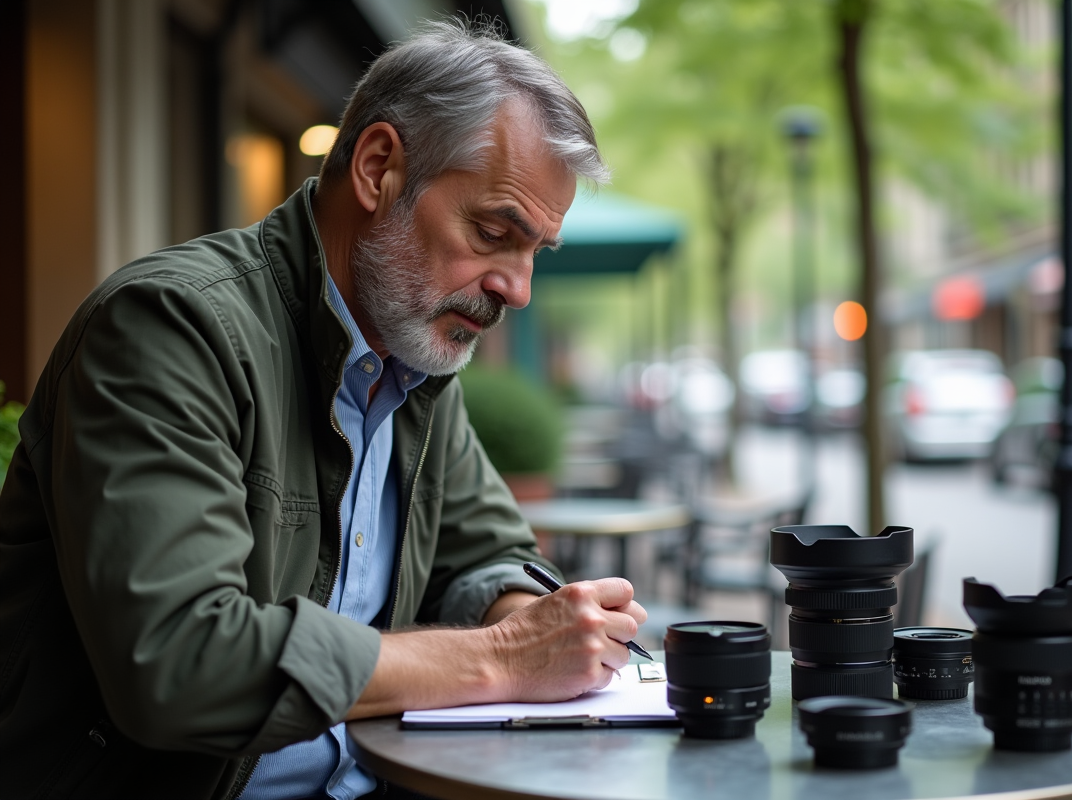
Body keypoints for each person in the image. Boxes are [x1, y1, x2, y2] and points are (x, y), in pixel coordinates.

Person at [0, 20, 646, 800]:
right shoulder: (170, 328)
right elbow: (178, 661)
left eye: (534, 252)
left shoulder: (417, 359)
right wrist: (505, 656)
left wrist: (535, 622)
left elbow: (485, 549)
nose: (517, 287)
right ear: (379, 168)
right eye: (491, 232)